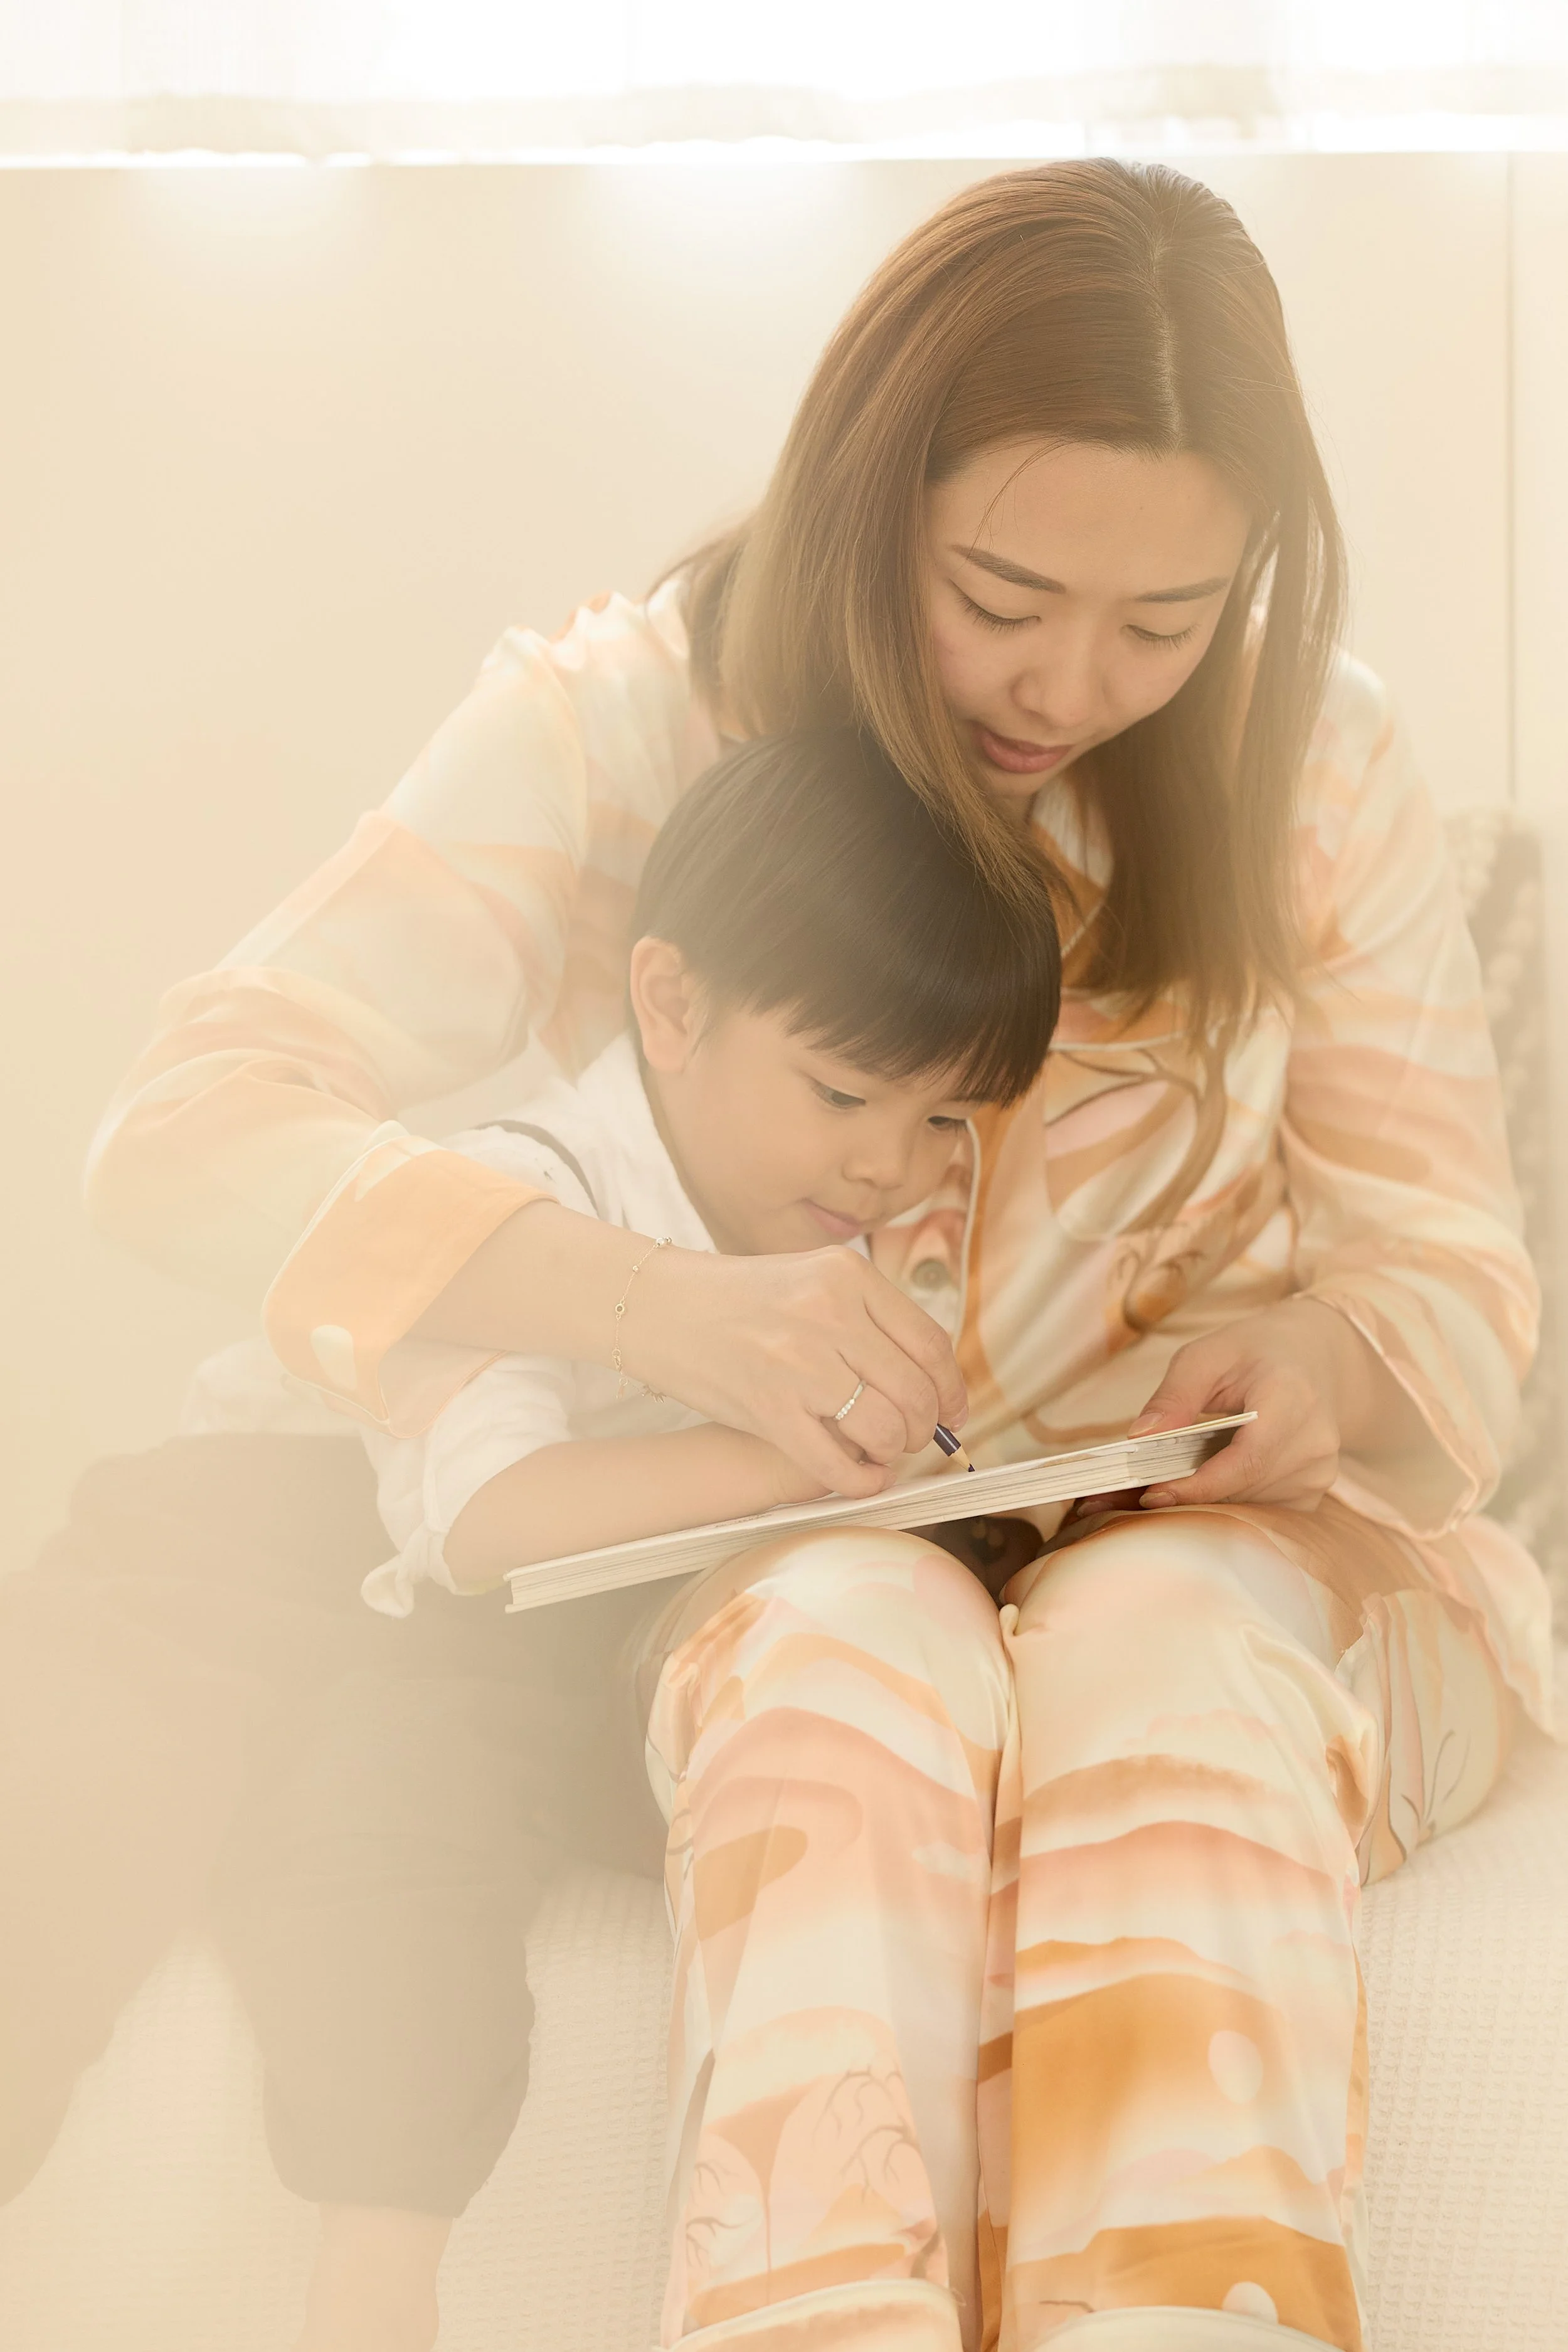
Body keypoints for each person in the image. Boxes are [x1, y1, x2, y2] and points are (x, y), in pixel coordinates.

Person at [57, 158, 1555, 2352]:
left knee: (1154, 1643)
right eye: (1005, 593)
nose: (1075, 684)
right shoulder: (626, 720)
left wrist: (1324, 1363)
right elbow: (187, 1133)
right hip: (798, 1549)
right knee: (848, 1644)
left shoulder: (1314, 757)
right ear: (874, 502)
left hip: (1231, 1561)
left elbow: (1460, 1285)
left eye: (1166, 623)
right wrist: (658, 1308)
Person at [359, 727, 1061, 1618]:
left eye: (946, 1119)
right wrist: (792, 1458)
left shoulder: (807, 1211)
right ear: (674, 1005)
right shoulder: (521, 1198)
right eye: (842, 1096)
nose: (891, 1168)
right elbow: (489, 1518)